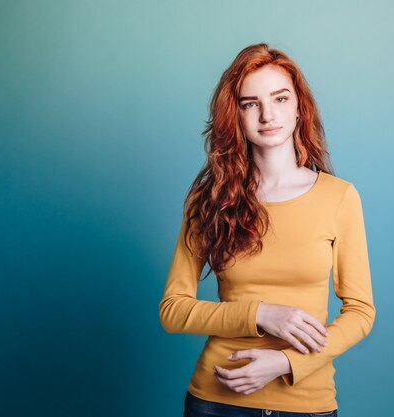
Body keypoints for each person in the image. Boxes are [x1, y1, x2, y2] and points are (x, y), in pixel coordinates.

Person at [158, 43, 376, 417]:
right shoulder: (208, 198)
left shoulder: (339, 197)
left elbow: (360, 311)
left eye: (279, 98)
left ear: (298, 106)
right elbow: (173, 310)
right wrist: (260, 314)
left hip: (307, 403)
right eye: (250, 103)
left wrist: (288, 364)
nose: (267, 114)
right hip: (216, 399)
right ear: (236, 114)